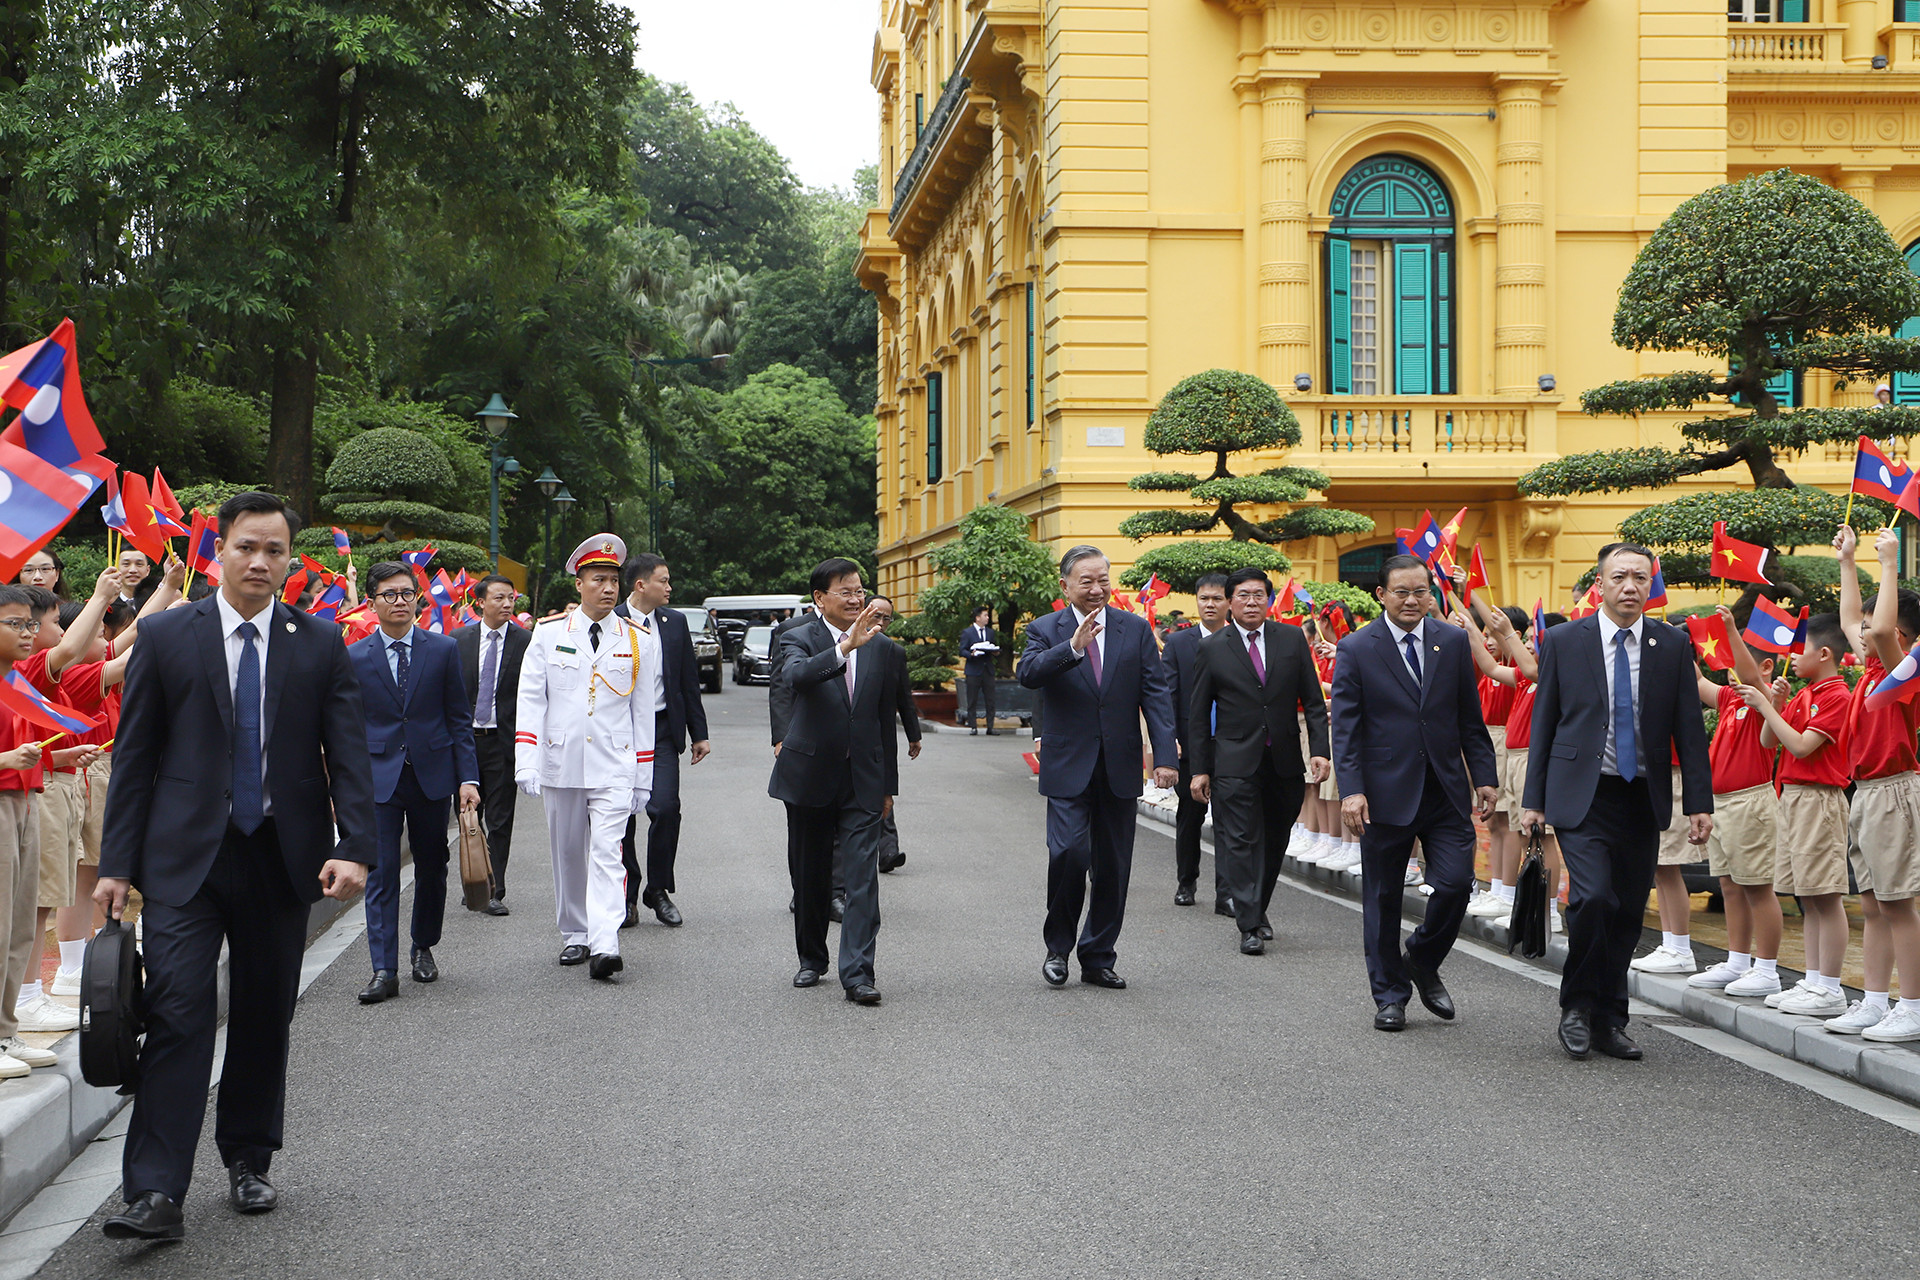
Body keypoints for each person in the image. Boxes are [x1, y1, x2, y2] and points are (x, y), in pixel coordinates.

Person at [94, 491, 375, 1240]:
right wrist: (115, 863)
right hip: (185, 859)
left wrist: (356, 846)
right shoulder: (165, 637)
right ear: (218, 551)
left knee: (262, 1013)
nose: (260, 562)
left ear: (288, 561)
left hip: (283, 858)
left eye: (274, 551)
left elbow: (349, 756)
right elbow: (135, 758)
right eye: (246, 547)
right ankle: (154, 1192)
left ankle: (249, 1157)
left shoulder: (318, 644)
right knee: (179, 1012)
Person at [1522, 542, 1712, 1062]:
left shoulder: (1671, 644)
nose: (1631, 587)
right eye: (1620, 577)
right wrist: (1533, 798)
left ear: (1650, 586)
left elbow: (1688, 728)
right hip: (1583, 793)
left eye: (1640, 578)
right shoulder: (1564, 640)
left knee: (1628, 912)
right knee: (1593, 899)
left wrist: (1699, 801)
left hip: (1641, 796)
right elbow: (1545, 722)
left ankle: (1611, 1017)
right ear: (1599, 585)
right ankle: (1577, 1006)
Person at [1330, 555, 1498, 1031]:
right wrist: (1353, 791)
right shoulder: (1357, 647)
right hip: (1383, 794)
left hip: (1444, 790)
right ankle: (1389, 995)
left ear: (1431, 593)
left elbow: (1469, 715)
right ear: (1381, 595)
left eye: (1421, 591)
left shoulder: (1450, 640)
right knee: (1382, 899)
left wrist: (1483, 774)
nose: (1412, 600)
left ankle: (1422, 958)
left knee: (1455, 884)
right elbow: (1346, 728)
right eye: (1401, 592)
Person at [1017, 545, 1176, 990]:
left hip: (1120, 764)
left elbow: (1156, 697)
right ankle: (1057, 949)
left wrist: (1164, 756)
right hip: (1068, 764)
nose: (1096, 589)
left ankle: (1099, 955)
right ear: (1065, 585)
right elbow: (1028, 674)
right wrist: (1072, 647)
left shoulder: (1136, 629)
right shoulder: (1046, 629)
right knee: (1068, 853)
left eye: (1103, 579)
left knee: (1112, 867)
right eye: (1086, 581)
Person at [767, 560, 920, 1004]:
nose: (856, 599)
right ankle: (812, 959)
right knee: (810, 875)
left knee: (862, 878)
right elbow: (795, 678)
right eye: (845, 591)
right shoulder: (795, 636)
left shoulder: (885, 649)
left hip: (863, 780)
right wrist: (843, 649)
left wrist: (888, 786)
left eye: (859, 591)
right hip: (809, 776)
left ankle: (858, 973)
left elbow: (881, 720)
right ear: (820, 598)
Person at [515, 535, 654, 981]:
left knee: (608, 852)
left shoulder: (637, 640)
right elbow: (532, 698)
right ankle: (575, 932)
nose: (609, 588)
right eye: (599, 580)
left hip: (614, 763)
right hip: (561, 760)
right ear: (580, 584)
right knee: (568, 852)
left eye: (614, 580)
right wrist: (527, 758)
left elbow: (642, 711)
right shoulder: (550, 633)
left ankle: (605, 940)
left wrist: (643, 777)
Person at [348, 562, 480, 1002]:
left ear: (418, 601)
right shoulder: (354, 657)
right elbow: (347, 727)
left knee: (431, 866)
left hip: (432, 774)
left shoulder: (441, 650)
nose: (400, 601)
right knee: (381, 872)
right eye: (390, 594)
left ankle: (423, 946)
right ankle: (383, 970)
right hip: (378, 779)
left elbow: (459, 719)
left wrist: (468, 779)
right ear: (372, 602)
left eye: (407, 594)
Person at [1187, 568, 1329, 955]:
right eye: (1244, 595)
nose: (1252, 602)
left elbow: (1314, 701)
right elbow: (1197, 714)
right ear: (1230, 601)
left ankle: (1257, 908)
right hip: (1233, 759)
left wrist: (1320, 750)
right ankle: (1248, 923)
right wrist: (1200, 768)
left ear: (1268, 600)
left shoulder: (1291, 639)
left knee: (1274, 839)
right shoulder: (1213, 647)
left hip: (1283, 759)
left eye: (1259, 595)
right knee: (1239, 841)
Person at [1827, 527, 1920, 1040]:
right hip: (1866, 792)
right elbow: (1851, 621)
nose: (1860, 634)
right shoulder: (1870, 674)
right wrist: (1847, 562)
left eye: (1871, 628)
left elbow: (1880, 632)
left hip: (1894, 790)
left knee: (1898, 902)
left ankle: (1912, 1005)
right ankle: (1877, 999)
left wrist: (1888, 562)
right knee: (1873, 903)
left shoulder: (1902, 671)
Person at [1684, 606, 1784, 999]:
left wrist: (1728, 627)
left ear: (1767, 666)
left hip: (1750, 803)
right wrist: (1680, 643)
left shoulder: (1767, 700)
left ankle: (1769, 968)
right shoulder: (1729, 699)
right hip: (1722, 803)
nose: (1729, 667)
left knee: (1758, 887)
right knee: (1727, 885)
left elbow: (1750, 678)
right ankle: (1738, 961)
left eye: (1737, 655)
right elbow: (1695, 682)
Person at [614, 553, 710, 928]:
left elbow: (688, 681)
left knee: (665, 808)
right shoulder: (612, 621)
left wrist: (698, 733)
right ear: (641, 585)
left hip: (661, 729)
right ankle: (626, 894)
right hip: (619, 733)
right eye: (663, 581)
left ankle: (658, 890)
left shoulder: (674, 623)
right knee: (621, 815)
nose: (669, 588)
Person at [0, 586, 53, 1079]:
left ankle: (4, 1030)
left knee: (17, 922)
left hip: (23, 800)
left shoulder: (17, 681)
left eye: (30, 624)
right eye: (14, 623)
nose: (27, 633)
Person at [455, 574, 530, 915]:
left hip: (504, 742)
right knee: (472, 817)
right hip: (467, 742)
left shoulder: (526, 642)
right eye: (499, 598)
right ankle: (475, 881)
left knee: (500, 820)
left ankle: (494, 889)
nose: (506, 604)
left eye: (511, 598)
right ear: (480, 602)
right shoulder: (459, 641)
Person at [1158, 573, 1229, 908]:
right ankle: (1186, 882)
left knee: (1231, 820)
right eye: (1204, 599)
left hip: (1233, 746)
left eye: (1217, 599)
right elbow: (1168, 695)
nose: (1210, 605)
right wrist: (1169, 739)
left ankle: (1227, 892)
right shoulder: (1179, 643)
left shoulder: (1240, 641)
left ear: (1229, 601)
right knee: (1190, 815)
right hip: (1191, 745)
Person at [864, 594, 918, 875]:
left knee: (884, 791)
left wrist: (913, 734)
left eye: (887, 618)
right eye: (877, 616)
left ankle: (888, 851)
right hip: (851, 735)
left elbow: (903, 696)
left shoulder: (893, 652)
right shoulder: (846, 646)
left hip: (881, 736)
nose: (882, 622)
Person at [961, 605, 999, 734]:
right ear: (977, 618)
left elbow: (993, 647)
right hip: (973, 670)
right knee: (972, 699)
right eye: (985, 615)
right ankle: (973, 726)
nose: (987, 618)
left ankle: (990, 727)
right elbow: (962, 650)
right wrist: (971, 654)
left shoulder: (990, 632)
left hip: (987, 670)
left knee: (991, 699)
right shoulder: (967, 632)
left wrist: (995, 652)